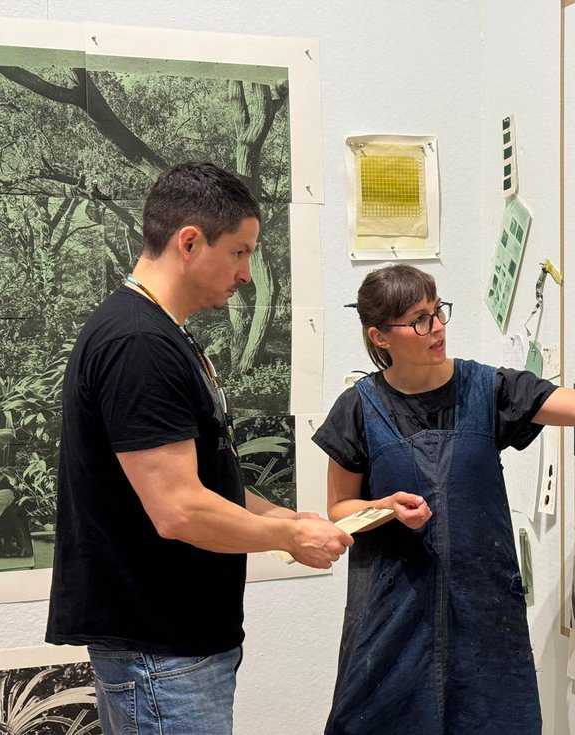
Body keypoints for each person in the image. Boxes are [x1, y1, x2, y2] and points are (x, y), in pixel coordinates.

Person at [313, 264, 575, 734]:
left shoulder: (488, 389)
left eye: (438, 312)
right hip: (392, 614)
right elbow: (338, 511)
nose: (437, 328)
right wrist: (386, 510)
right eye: (419, 320)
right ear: (380, 337)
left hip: (483, 610)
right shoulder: (358, 408)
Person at [45, 162, 353, 735]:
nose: (246, 274)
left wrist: (290, 518)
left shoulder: (163, 334)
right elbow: (179, 509)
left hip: (179, 650)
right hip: (160, 655)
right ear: (190, 241)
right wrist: (289, 537)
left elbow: (211, 483)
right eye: (239, 253)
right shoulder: (138, 342)